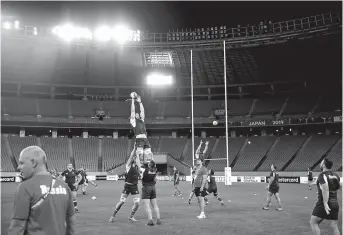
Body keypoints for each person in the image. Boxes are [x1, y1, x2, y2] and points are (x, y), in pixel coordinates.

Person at [8, 146, 75, 235]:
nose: (18, 167)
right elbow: (71, 222)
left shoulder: (25, 187)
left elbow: (17, 226)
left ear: (33, 162)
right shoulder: (64, 186)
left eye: (21, 163)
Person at [109, 147, 140, 223]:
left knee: (137, 203)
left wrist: (138, 155)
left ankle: (131, 217)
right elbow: (130, 157)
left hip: (134, 187)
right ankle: (112, 216)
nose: (136, 159)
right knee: (121, 202)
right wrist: (134, 149)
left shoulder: (138, 167)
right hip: (127, 186)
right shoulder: (128, 166)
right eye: (135, 158)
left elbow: (138, 161)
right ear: (133, 160)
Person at [310, 158, 341, 235]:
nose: (320, 164)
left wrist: (325, 203)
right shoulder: (336, 175)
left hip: (324, 203)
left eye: (321, 162)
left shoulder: (322, 175)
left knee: (313, 222)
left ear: (323, 165)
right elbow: (341, 187)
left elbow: (325, 188)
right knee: (334, 225)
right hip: (335, 203)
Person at [129, 92, 154, 170]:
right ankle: (140, 169)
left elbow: (142, 111)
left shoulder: (141, 120)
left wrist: (140, 102)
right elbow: (133, 111)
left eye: (137, 113)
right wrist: (133, 100)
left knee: (148, 154)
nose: (137, 113)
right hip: (139, 139)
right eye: (136, 114)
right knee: (140, 155)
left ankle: (148, 169)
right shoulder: (133, 121)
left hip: (145, 139)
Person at [141, 160, 161, 226]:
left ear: (149, 165)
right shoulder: (154, 170)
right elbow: (155, 179)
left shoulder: (144, 170)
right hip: (153, 188)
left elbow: (138, 166)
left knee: (147, 206)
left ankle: (150, 221)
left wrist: (137, 156)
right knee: (155, 205)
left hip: (146, 188)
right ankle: (158, 220)